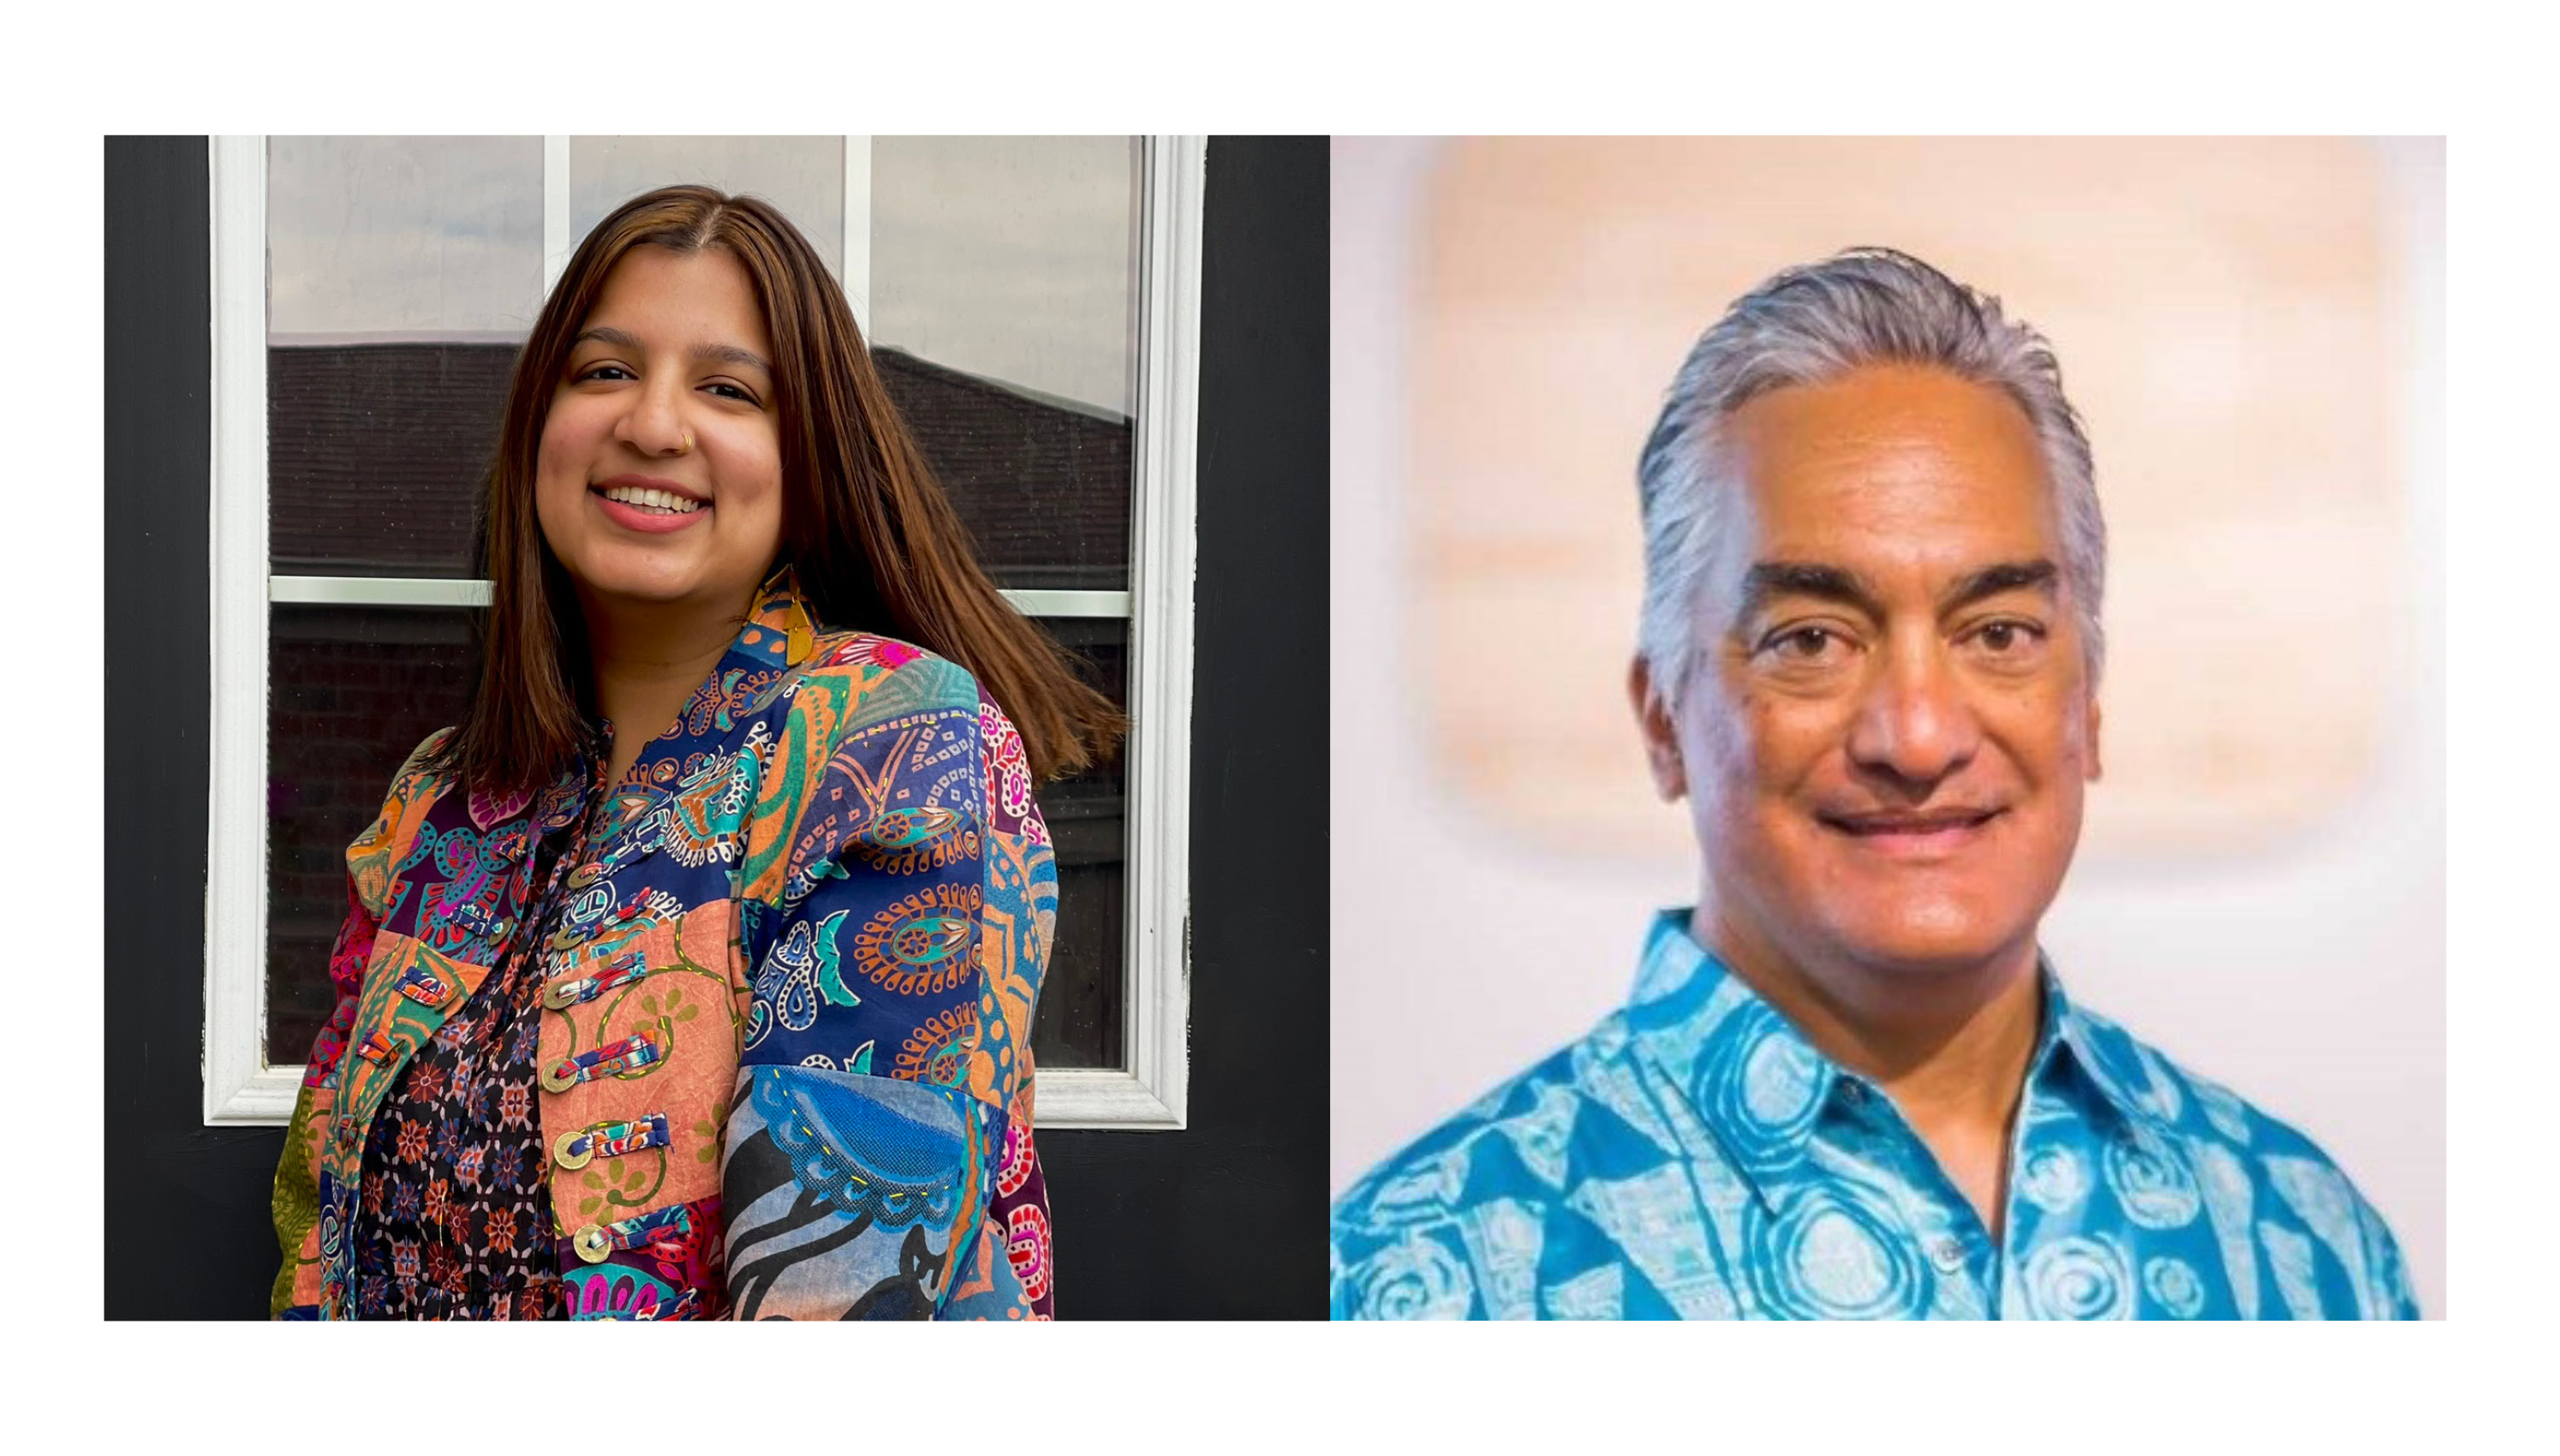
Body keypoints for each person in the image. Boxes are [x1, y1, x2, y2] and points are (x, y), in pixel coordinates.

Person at [1329, 248, 2419, 1320]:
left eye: (1998, 631)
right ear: (1663, 717)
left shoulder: (2309, 1241)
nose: (1919, 735)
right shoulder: (1421, 1280)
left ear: (2086, 703)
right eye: (1812, 638)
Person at [269, 185, 1119, 1320]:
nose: (655, 425)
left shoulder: (891, 742)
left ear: (807, 452)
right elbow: (315, 1228)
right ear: (537, 427)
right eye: (605, 371)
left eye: (728, 389)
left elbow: (847, 1296)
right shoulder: (442, 799)